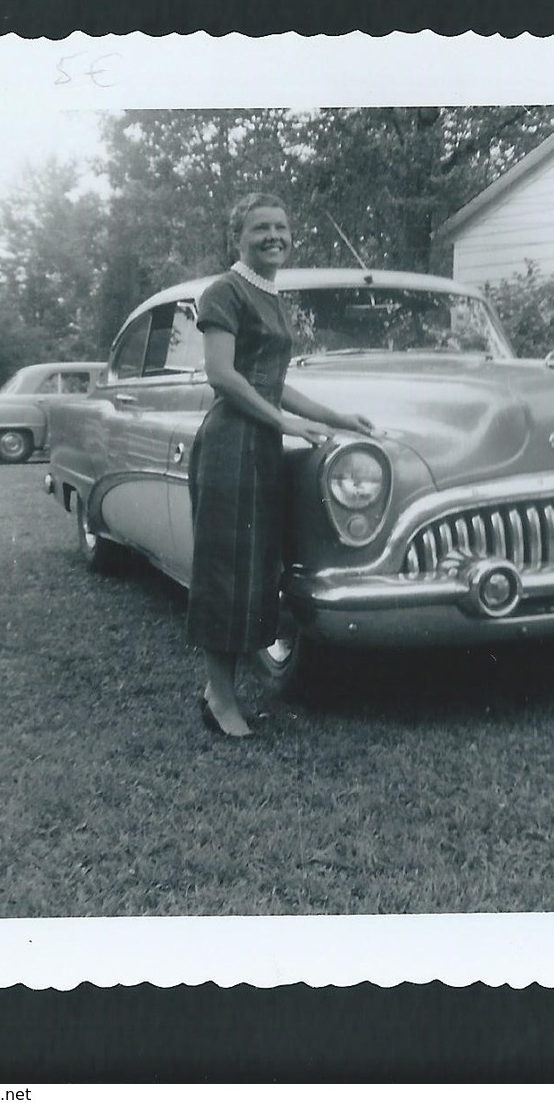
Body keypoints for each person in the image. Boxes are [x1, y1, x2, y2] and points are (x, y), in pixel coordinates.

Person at [186, 192, 374, 737]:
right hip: (229, 444)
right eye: (260, 227)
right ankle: (220, 698)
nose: (274, 236)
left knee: (255, 570)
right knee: (226, 569)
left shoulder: (270, 295)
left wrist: (337, 417)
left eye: (282, 227)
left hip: (259, 444)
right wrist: (285, 424)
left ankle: (221, 692)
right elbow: (223, 376)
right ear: (236, 237)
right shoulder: (225, 291)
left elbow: (273, 381)